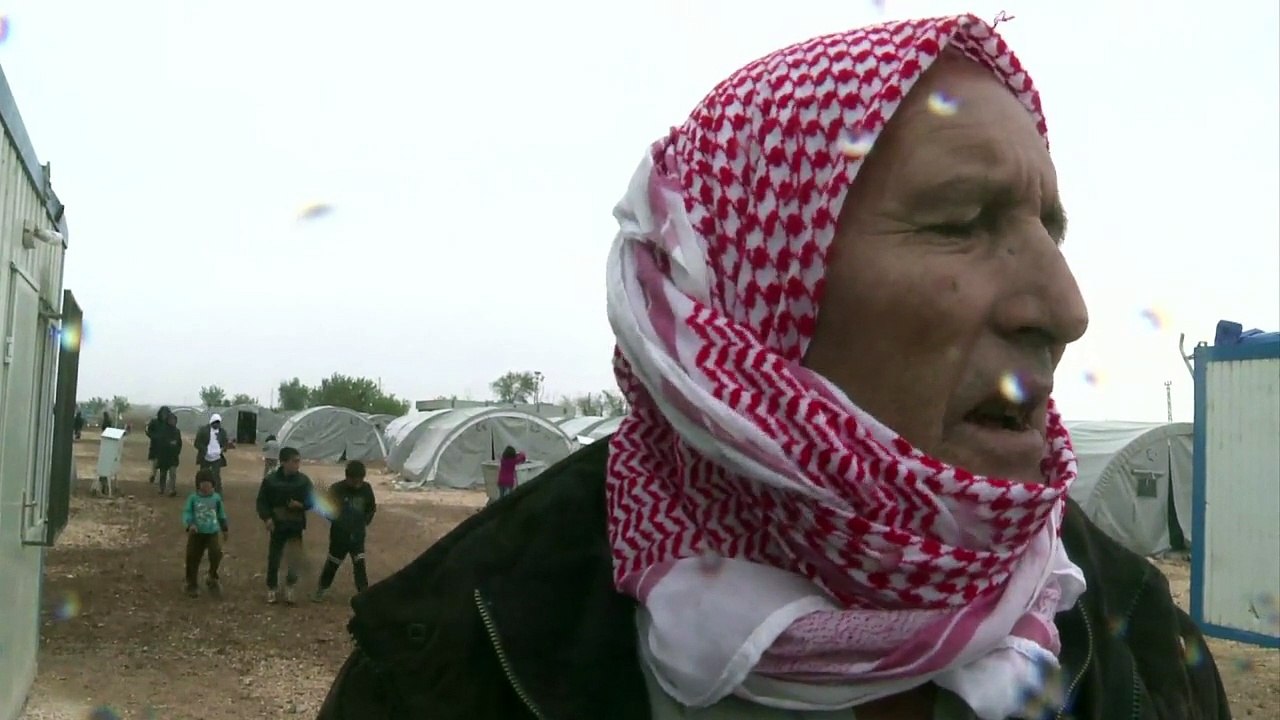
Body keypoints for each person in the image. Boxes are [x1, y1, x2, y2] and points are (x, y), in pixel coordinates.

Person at [317, 14, 1231, 720]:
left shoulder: (1133, 636)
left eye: (1049, 230)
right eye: (960, 223)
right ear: (754, 297)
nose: (1065, 311)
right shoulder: (470, 656)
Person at [255, 446, 314, 605]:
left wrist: (300, 505)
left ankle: (290, 587)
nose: (297, 464)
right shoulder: (271, 480)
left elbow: (312, 500)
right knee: (274, 557)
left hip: (295, 526)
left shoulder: (303, 481)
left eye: (298, 461)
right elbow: (262, 501)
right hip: (277, 525)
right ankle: (272, 588)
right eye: (294, 461)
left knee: (294, 557)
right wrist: (267, 518)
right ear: (283, 462)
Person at [312, 460, 377, 602]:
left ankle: (364, 594)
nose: (357, 483)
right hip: (339, 536)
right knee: (333, 563)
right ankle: (322, 589)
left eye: (360, 480)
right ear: (347, 477)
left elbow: (371, 508)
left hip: (358, 536)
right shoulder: (336, 489)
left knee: (359, 564)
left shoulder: (366, 489)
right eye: (354, 480)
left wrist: (364, 522)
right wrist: (340, 522)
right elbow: (327, 510)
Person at [182, 469, 228, 598]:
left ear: (213, 484)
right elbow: (187, 512)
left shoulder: (216, 498)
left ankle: (212, 575)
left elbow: (221, 514)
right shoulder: (193, 498)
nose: (206, 486)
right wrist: (190, 524)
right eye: (203, 484)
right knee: (192, 556)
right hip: (196, 533)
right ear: (198, 484)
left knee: (216, 552)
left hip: (212, 532)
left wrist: (224, 529)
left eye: (208, 483)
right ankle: (191, 583)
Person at [193, 413, 234, 494]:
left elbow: (225, 443)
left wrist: (223, 448)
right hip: (205, 457)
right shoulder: (203, 431)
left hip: (217, 457)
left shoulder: (222, 432)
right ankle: (200, 492)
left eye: (218, 422)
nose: (217, 424)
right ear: (212, 422)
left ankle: (218, 492)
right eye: (216, 422)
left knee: (216, 476)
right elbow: (197, 443)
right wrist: (205, 450)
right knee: (203, 475)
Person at [153, 411, 183, 497]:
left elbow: (179, 443)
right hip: (164, 455)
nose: (173, 421)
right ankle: (161, 488)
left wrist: (177, 450)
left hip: (173, 456)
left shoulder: (177, 431)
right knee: (163, 473)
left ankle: (172, 489)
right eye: (171, 420)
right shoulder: (162, 430)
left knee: (173, 473)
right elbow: (159, 441)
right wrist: (169, 443)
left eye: (174, 420)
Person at [145, 406, 172, 484]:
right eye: (163, 413)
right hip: (155, 446)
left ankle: (164, 479)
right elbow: (148, 431)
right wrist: (154, 437)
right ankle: (153, 475)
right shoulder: (154, 422)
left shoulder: (169, 424)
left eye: (166, 413)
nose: (164, 415)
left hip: (166, 447)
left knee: (165, 464)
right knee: (154, 463)